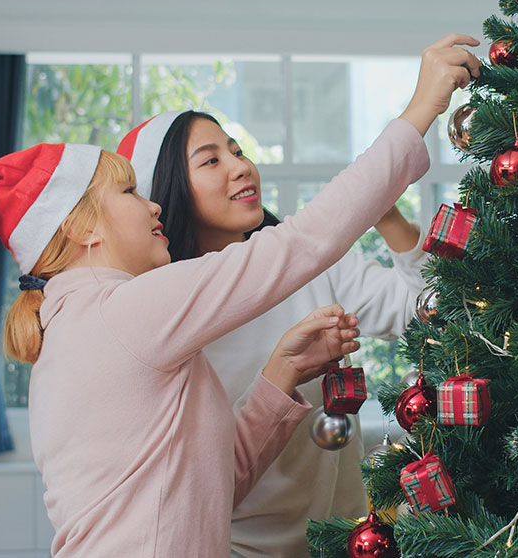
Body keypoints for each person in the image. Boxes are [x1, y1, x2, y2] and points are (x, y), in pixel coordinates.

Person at [0, 33, 480, 557]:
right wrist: (420, 111)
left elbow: (214, 484)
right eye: (127, 193)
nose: (151, 209)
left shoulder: (86, 320)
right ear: (83, 229)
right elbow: (302, 243)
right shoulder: (124, 310)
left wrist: (281, 374)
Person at [117, 39, 482, 556]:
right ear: (171, 190)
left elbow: (428, 310)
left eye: (238, 150)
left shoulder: (312, 263)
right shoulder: (169, 310)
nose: (240, 167)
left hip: (352, 541)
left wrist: (391, 219)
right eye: (211, 160)